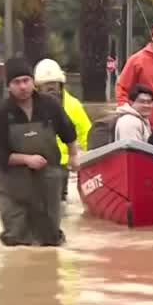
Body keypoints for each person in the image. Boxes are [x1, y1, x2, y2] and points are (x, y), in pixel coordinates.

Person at [0, 58, 79, 247]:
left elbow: (68, 131)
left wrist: (74, 155)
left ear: (33, 82)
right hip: (12, 184)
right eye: (16, 82)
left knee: (50, 238)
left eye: (26, 80)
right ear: (8, 86)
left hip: (47, 181)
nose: (23, 86)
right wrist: (25, 159)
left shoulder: (50, 105)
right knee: (17, 238)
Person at [33, 58, 91, 202]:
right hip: (36, 163)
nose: (51, 89)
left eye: (54, 85)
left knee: (58, 202)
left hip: (62, 164)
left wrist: (92, 158)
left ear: (61, 85)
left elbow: (86, 134)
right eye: (46, 86)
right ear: (37, 87)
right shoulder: (29, 105)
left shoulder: (73, 106)